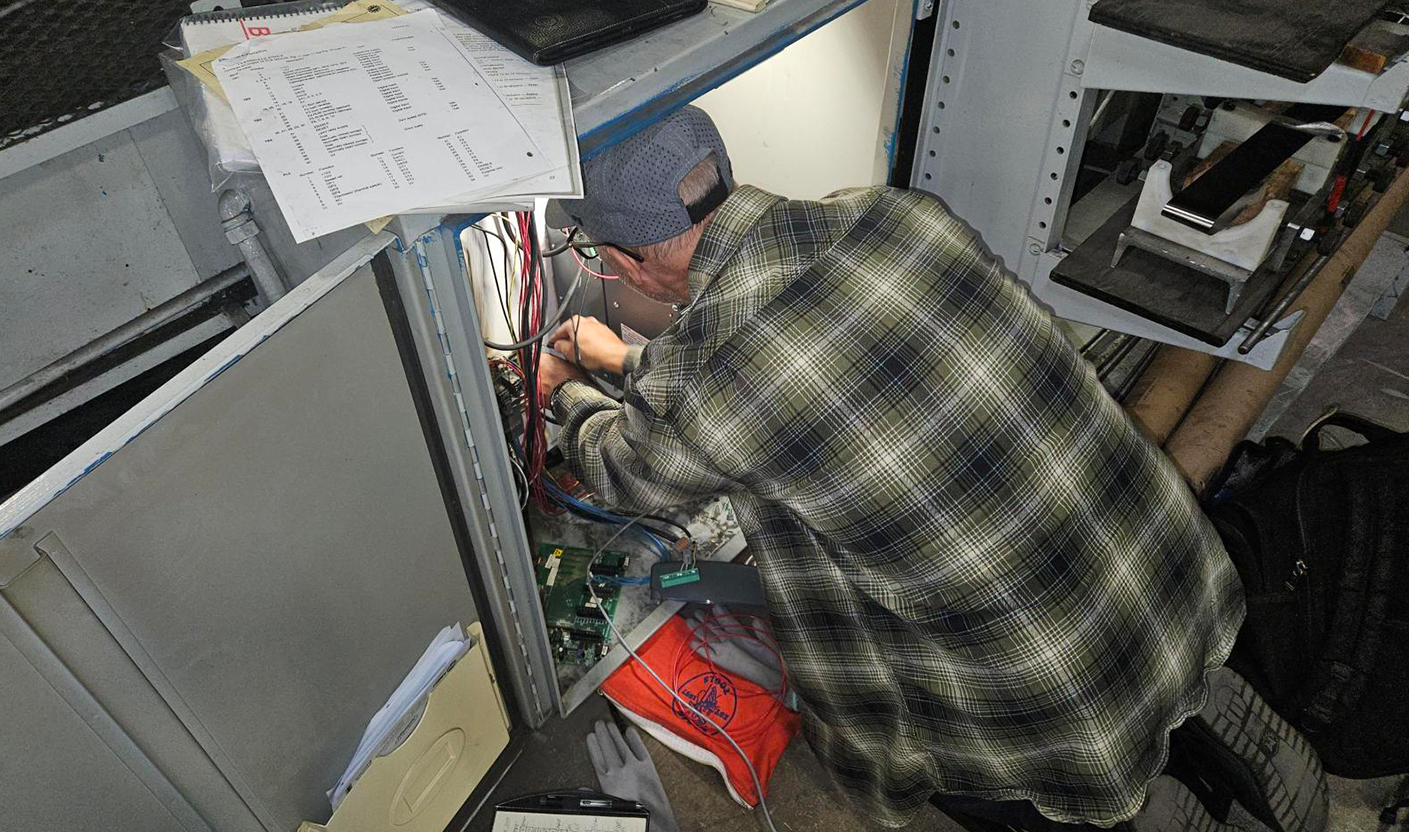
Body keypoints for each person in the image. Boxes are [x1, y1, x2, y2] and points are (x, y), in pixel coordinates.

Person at [537, 106, 1327, 831]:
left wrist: (563, 391)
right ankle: (1222, 744)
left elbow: (625, 471)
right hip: (1162, 572)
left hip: (1053, 694)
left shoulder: (709, 382)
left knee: (1019, 785)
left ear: (624, 262)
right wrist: (630, 358)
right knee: (1181, 697)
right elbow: (793, 379)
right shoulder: (893, 214)